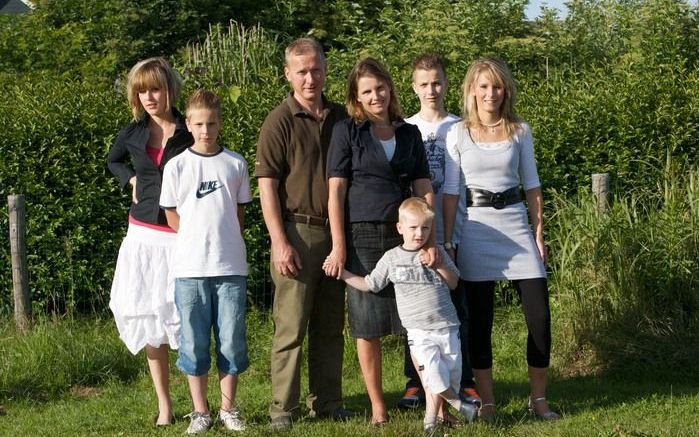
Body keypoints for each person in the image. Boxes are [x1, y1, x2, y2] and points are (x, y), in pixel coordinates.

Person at [442, 57, 560, 422]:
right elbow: (450, 191)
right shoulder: (458, 132)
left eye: (497, 86)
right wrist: (448, 241)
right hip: (476, 230)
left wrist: (539, 234)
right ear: (472, 91)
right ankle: (489, 402)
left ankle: (538, 399)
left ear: (504, 90)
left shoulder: (520, 130)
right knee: (480, 322)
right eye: (484, 86)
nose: (491, 93)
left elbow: (533, 185)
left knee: (539, 318)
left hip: (517, 231)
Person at [324, 57, 434, 426]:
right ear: (356, 96)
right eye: (367, 91)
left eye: (381, 88)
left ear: (390, 88)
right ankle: (378, 408)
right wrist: (339, 245)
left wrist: (431, 238)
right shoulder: (347, 131)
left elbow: (423, 186)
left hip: (406, 235)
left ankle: (432, 402)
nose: (376, 96)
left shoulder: (409, 132)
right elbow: (335, 192)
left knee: (417, 321)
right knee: (367, 325)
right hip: (362, 235)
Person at [255, 37, 354, 431]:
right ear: (288, 74)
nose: (310, 78)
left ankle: (328, 402)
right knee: (291, 328)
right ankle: (283, 408)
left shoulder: (343, 117)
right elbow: (266, 186)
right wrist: (279, 241)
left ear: (325, 70)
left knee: (330, 327)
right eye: (302, 71)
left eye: (316, 69)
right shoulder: (278, 120)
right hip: (296, 233)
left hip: (336, 236)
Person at [328, 197, 477, 434]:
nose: (419, 233)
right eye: (413, 228)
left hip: (447, 326)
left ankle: (436, 415)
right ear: (400, 228)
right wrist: (343, 273)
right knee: (432, 373)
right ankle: (451, 409)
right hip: (418, 331)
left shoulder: (435, 252)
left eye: (425, 228)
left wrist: (439, 265)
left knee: (449, 377)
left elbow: (453, 282)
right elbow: (370, 284)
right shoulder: (391, 258)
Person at [107, 57, 192, 427]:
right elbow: (112, 161)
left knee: (188, 322)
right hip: (142, 237)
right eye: (141, 91)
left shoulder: (191, 130)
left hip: (181, 238)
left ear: (169, 89)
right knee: (151, 324)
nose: (148, 97)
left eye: (154, 88)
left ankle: (199, 405)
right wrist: (129, 179)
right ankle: (165, 406)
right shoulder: (131, 133)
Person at [160, 90, 252, 434]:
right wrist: (196, 239)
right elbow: (171, 215)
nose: (205, 130)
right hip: (189, 270)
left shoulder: (235, 163)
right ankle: (200, 411)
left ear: (220, 123)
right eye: (198, 124)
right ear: (188, 123)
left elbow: (239, 214)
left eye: (211, 123)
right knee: (194, 343)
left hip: (230, 269)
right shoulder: (177, 166)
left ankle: (229, 409)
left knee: (231, 340)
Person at [400, 53, 481, 416]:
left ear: (446, 84)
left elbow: (463, 181)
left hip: (453, 227)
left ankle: (462, 378)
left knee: (455, 305)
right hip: (416, 232)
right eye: (424, 83)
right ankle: (415, 379)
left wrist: (452, 235)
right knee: (415, 306)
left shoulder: (460, 126)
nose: (431, 90)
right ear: (414, 87)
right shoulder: (406, 126)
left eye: (437, 82)